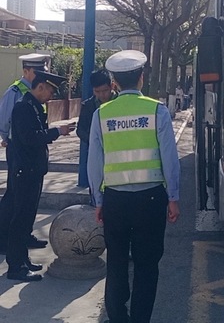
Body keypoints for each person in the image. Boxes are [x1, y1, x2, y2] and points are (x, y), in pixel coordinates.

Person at [87, 50, 180, 323]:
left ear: (114, 82)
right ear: (141, 78)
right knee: (147, 263)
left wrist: (99, 202)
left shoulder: (102, 115)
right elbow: (169, 158)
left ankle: (117, 315)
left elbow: (94, 163)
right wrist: (173, 198)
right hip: (151, 200)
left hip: (115, 200)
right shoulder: (156, 111)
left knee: (116, 261)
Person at [6, 70, 72, 282]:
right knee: (20, 220)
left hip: (33, 171)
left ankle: (23, 261)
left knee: (27, 220)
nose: (51, 95)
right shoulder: (23, 107)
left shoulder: (34, 107)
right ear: (40, 86)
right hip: (24, 171)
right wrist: (57, 132)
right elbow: (30, 138)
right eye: (50, 90)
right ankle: (15, 266)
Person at [0, 53, 51, 252]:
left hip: (33, 150)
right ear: (26, 72)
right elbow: (4, 119)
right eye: (38, 72)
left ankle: (24, 234)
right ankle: (5, 237)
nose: (42, 76)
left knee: (31, 197)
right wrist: (6, 137)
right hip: (18, 150)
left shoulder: (38, 91)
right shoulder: (15, 91)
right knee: (15, 196)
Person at [76, 69, 116, 145]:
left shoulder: (121, 101)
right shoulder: (88, 106)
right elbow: (80, 130)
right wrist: (94, 140)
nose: (101, 95)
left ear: (112, 86)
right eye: (97, 91)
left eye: (105, 90)